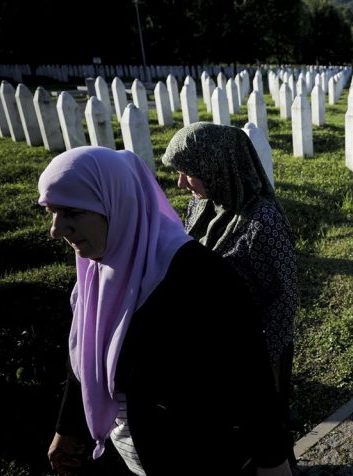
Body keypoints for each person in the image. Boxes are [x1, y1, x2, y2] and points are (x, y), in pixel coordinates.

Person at [40, 146, 291, 475]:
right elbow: (88, 352)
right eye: (52, 212)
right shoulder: (94, 275)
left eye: (72, 213)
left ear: (117, 205)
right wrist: (68, 427)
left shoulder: (201, 279)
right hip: (136, 458)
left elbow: (251, 380)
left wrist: (273, 463)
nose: (56, 229)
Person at [161, 123, 299, 462]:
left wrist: (261, 364)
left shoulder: (263, 220)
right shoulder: (202, 204)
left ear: (217, 165)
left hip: (253, 351)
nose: (181, 183)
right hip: (211, 346)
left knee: (263, 429)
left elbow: (284, 298)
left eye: (188, 172)